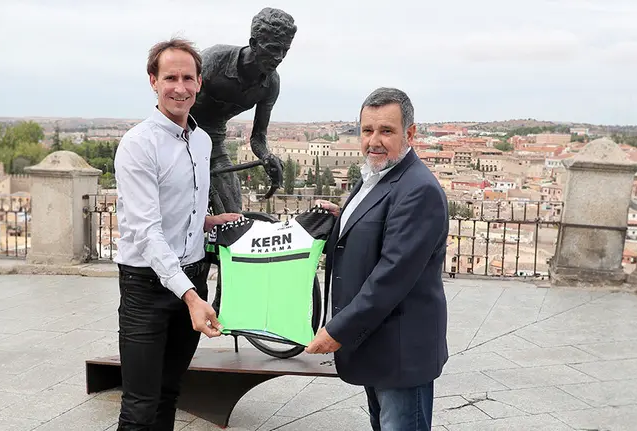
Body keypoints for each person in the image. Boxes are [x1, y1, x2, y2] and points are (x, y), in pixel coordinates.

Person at [112, 38, 240, 431]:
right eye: (170, 78)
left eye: (188, 78)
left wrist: (207, 222)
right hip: (148, 288)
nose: (180, 87)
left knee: (169, 393)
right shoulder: (138, 144)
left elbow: (181, 207)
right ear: (153, 81)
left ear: (200, 82)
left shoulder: (202, 141)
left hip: (192, 276)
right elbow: (147, 231)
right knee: (139, 407)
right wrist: (191, 298)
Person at [305, 87, 450, 431]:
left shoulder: (418, 189)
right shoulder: (376, 175)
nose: (374, 141)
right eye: (367, 130)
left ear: (410, 134)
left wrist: (336, 331)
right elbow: (376, 234)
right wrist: (341, 222)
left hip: (400, 353)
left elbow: (391, 276)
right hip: (376, 345)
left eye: (386, 130)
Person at [189, 7, 297, 214]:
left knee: (233, 211)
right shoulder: (214, 60)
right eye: (273, 48)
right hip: (182, 137)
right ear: (254, 44)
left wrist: (266, 156)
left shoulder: (271, 84)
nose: (279, 57)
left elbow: (258, 137)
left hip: (214, 144)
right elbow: (177, 100)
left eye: (285, 50)